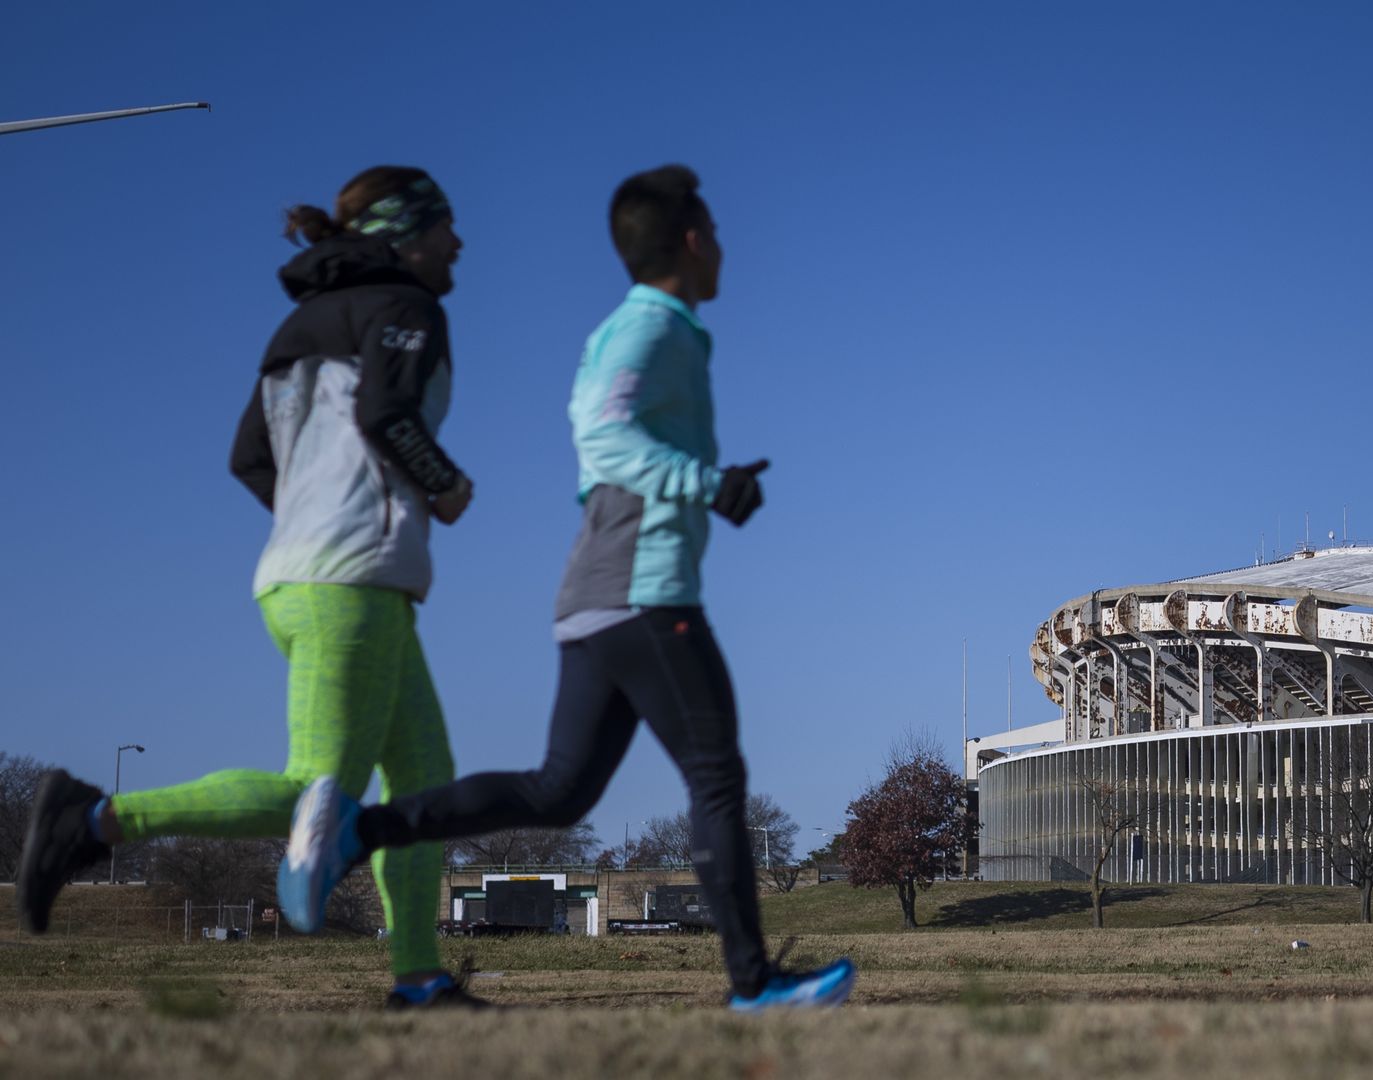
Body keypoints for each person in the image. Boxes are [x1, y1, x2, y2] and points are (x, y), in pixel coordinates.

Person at [280, 165, 853, 1012]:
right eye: (718, 233)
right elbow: (603, 431)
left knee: (560, 790)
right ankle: (754, 982)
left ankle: (364, 832)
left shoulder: (653, 331)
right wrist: (706, 482)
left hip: (596, 592)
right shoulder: (649, 329)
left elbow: (600, 449)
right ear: (693, 242)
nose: (726, 247)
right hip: (643, 591)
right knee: (717, 779)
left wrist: (701, 485)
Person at [16, 166, 485, 1009]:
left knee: (424, 782)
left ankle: (419, 979)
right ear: (407, 232)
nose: (460, 243)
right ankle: (89, 822)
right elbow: (388, 417)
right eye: (448, 226)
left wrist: (313, 518)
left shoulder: (296, 327)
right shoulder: (409, 308)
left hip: (303, 575)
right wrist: (444, 487)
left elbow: (249, 460)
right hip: (353, 581)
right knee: (317, 787)